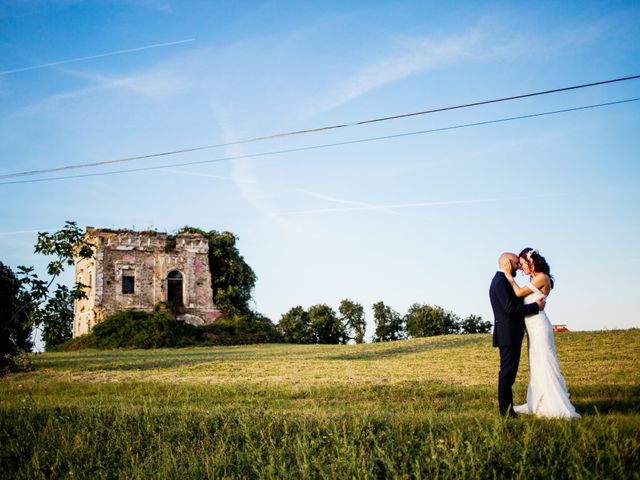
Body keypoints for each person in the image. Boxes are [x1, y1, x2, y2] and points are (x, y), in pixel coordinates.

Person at [502, 248, 580, 419]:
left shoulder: (541, 278)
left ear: (531, 261)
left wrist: (507, 274)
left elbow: (518, 293)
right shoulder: (533, 278)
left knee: (544, 363)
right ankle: (538, 402)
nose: (521, 268)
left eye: (522, 264)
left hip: (539, 326)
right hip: (531, 328)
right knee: (536, 365)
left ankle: (553, 405)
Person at [489, 252, 545, 417]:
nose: (519, 267)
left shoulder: (504, 280)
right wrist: (535, 307)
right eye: (516, 264)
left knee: (509, 374)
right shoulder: (500, 282)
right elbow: (510, 309)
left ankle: (507, 410)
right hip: (508, 335)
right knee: (507, 374)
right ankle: (506, 412)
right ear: (507, 263)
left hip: (510, 334)